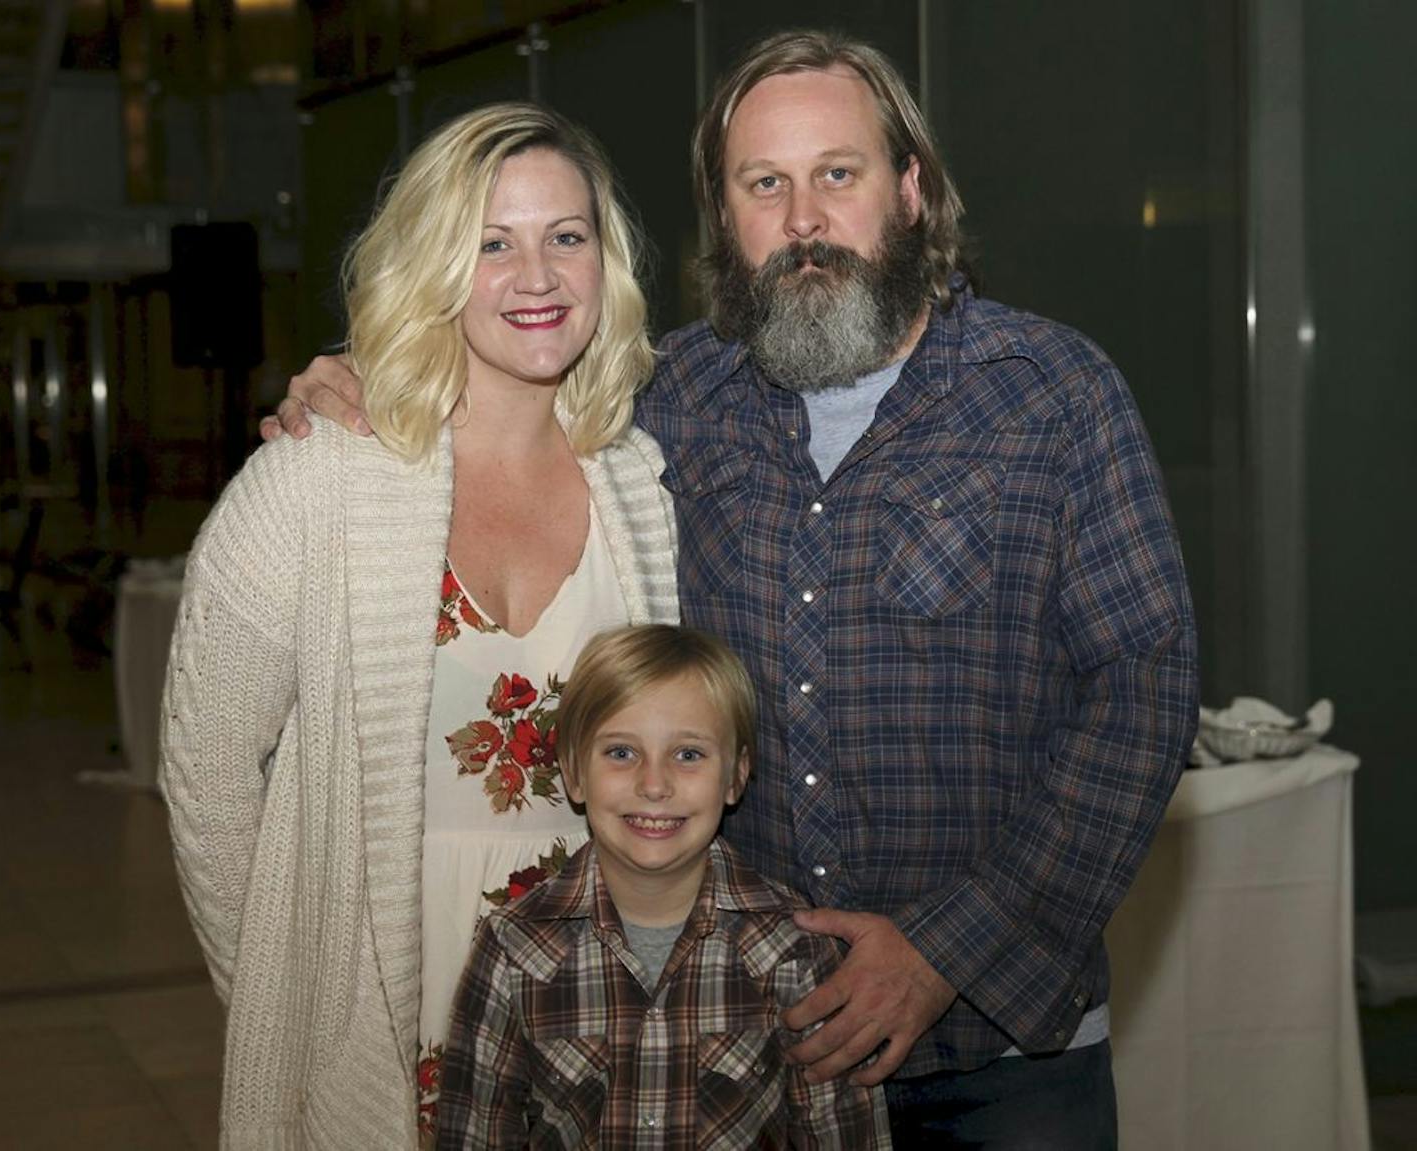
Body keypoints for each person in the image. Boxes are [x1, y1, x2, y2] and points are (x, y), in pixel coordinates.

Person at [268, 29, 1198, 1148]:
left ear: (909, 190)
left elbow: (1142, 690)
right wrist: (357, 375)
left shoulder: (1050, 395)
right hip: (740, 1058)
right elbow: (501, 381)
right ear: (726, 216)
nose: (802, 219)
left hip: (1000, 1056)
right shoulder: (665, 402)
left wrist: (947, 949)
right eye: (765, 185)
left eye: (835, 176)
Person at [161, 103, 678, 1149]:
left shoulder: (638, 488)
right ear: (432, 264)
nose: (534, 277)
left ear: (603, 261)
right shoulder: (315, 478)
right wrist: (286, 994)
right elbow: (206, 770)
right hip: (381, 1006)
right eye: (490, 242)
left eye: (563, 237)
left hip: (600, 1016)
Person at [436, 623, 891, 1148]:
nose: (654, 785)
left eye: (689, 754)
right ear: (574, 774)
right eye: (621, 753)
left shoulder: (794, 949)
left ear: (736, 776)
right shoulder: (512, 949)